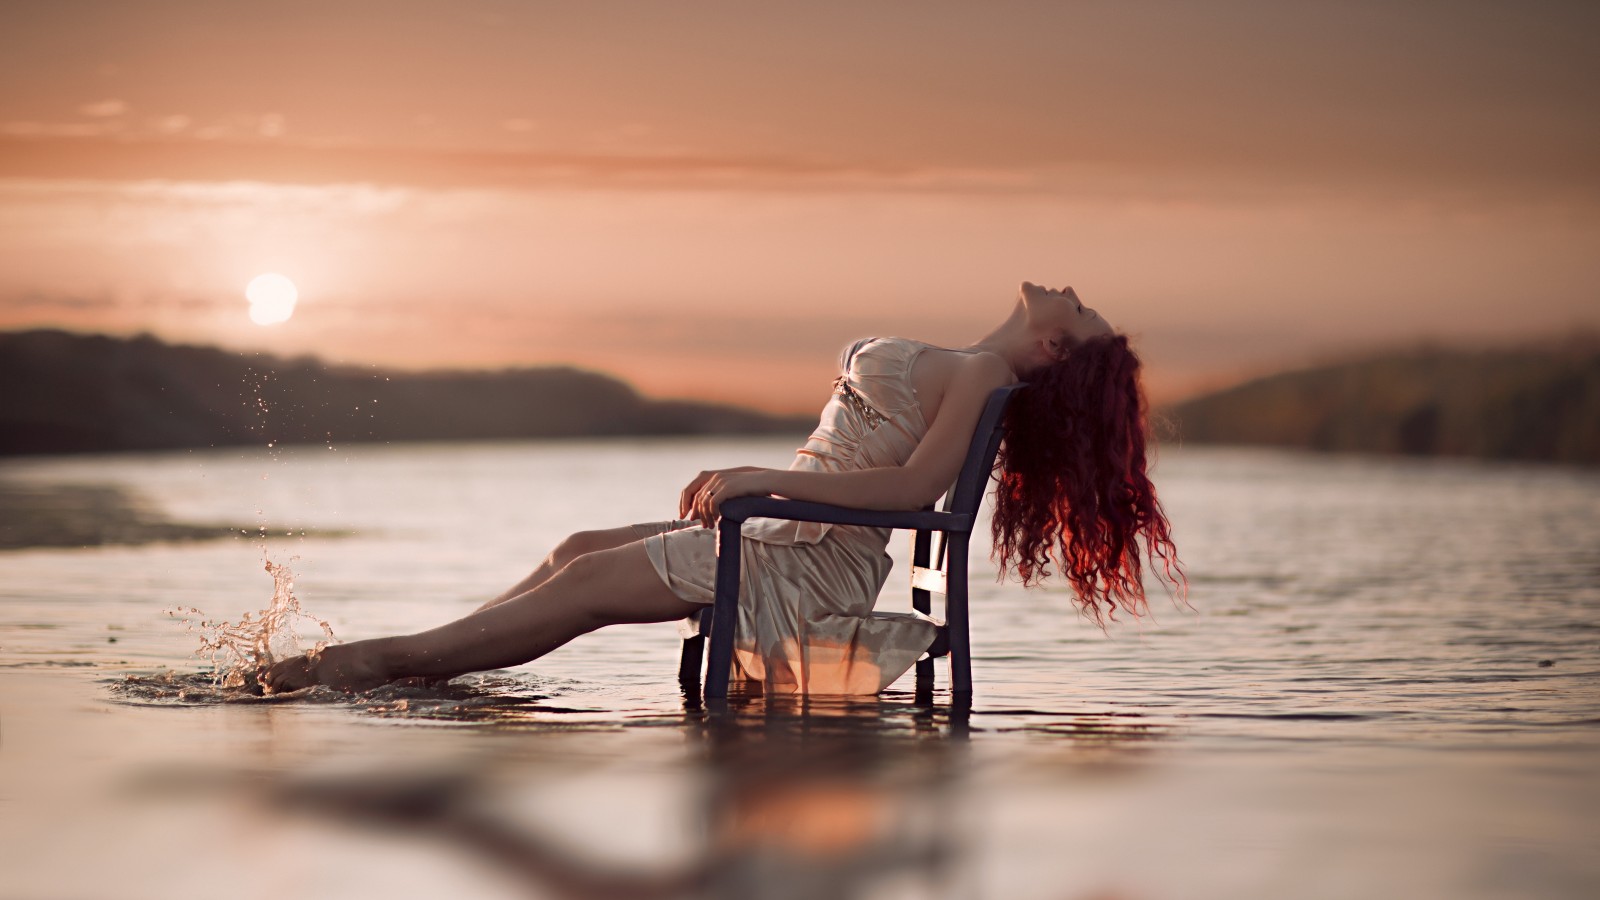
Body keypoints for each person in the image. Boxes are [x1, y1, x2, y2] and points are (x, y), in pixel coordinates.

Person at [264, 282, 1183, 695]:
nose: (1069, 288)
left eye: (1082, 306)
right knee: (577, 552)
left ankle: (379, 664)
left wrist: (759, 479)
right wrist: (767, 489)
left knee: (583, 586)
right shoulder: (969, 361)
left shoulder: (985, 379)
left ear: (1057, 346)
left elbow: (916, 487)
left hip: (809, 558)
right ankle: (430, 663)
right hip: (788, 528)